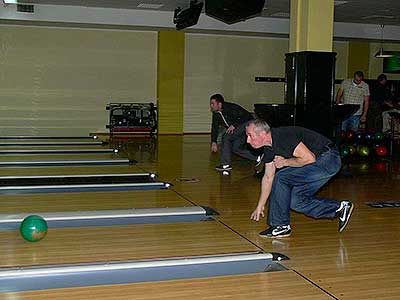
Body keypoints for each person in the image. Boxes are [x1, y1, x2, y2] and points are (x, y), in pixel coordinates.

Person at [246, 119, 354, 238]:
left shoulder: (283, 136)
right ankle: (339, 208)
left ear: (262, 134)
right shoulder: (268, 148)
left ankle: (280, 226)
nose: (248, 140)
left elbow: (309, 158)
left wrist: (285, 162)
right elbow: (268, 177)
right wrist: (260, 205)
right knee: (295, 201)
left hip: (328, 159)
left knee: (282, 177)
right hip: (318, 165)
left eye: (250, 136)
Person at [210, 93, 260, 172]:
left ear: (219, 104)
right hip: (239, 131)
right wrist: (214, 141)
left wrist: (234, 125)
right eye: (211, 104)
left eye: (213, 103)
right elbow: (214, 127)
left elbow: (246, 116)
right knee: (235, 148)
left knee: (226, 136)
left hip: (247, 124)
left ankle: (225, 164)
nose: (211, 106)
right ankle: (258, 158)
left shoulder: (231, 107)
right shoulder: (216, 114)